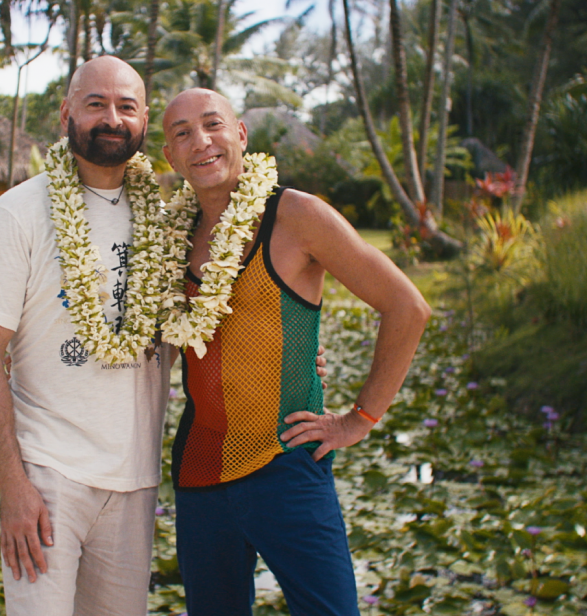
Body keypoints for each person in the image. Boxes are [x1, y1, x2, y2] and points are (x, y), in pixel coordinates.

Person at [160, 88, 432, 616]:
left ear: (240, 134)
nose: (202, 141)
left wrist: (360, 418)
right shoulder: (172, 237)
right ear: (170, 157)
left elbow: (406, 306)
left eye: (213, 124)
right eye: (182, 133)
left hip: (286, 464)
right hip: (199, 470)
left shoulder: (296, 215)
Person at [0, 56, 169, 616]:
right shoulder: (18, 212)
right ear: (66, 112)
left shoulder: (167, 218)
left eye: (126, 106)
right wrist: (13, 485)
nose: (112, 118)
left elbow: (213, 319)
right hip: (48, 476)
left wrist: (296, 352)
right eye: (95, 103)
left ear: (145, 118)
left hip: (135, 477)